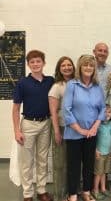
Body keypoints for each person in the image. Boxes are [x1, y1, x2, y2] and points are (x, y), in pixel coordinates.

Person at [12, 50, 54, 201]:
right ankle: (27, 194)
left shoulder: (50, 81)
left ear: (44, 63)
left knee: (42, 159)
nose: (36, 64)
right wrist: (17, 131)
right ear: (28, 64)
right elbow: (16, 109)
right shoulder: (22, 82)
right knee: (27, 161)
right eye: (32, 62)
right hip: (28, 124)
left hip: (46, 124)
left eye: (38, 61)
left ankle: (42, 190)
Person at [63, 54, 106, 201]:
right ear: (80, 67)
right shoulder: (72, 85)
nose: (88, 68)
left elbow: (102, 109)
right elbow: (66, 110)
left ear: (94, 69)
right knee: (73, 166)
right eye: (85, 65)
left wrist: (95, 127)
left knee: (89, 164)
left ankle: (86, 191)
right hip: (74, 134)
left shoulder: (97, 87)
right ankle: (73, 194)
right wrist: (80, 130)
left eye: (91, 65)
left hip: (92, 133)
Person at [48, 56, 75, 201]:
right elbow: (53, 112)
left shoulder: (77, 83)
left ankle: (71, 194)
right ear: (59, 68)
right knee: (59, 164)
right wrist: (57, 131)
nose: (66, 67)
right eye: (63, 65)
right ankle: (59, 196)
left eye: (69, 65)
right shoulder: (57, 86)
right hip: (62, 128)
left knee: (72, 164)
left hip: (76, 129)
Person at [92, 105, 111, 200]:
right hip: (100, 153)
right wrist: (95, 150)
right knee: (98, 173)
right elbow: (93, 139)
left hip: (108, 152)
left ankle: (103, 188)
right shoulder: (98, 125)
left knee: (104, 172)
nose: (107, 114)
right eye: (104, 112)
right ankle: (95, 190)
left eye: (109, 112)